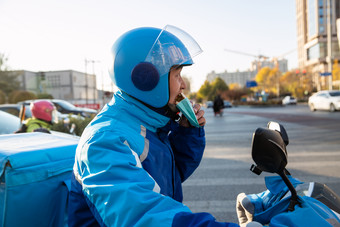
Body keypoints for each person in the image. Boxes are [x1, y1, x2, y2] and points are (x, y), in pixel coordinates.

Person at [68, 25, 239, 227]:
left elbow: (170, 175)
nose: (183, 85)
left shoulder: (147, 124)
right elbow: (144, 218)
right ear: (146, 79)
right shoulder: (105, 140)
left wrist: (186, 132)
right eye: (177, 75)